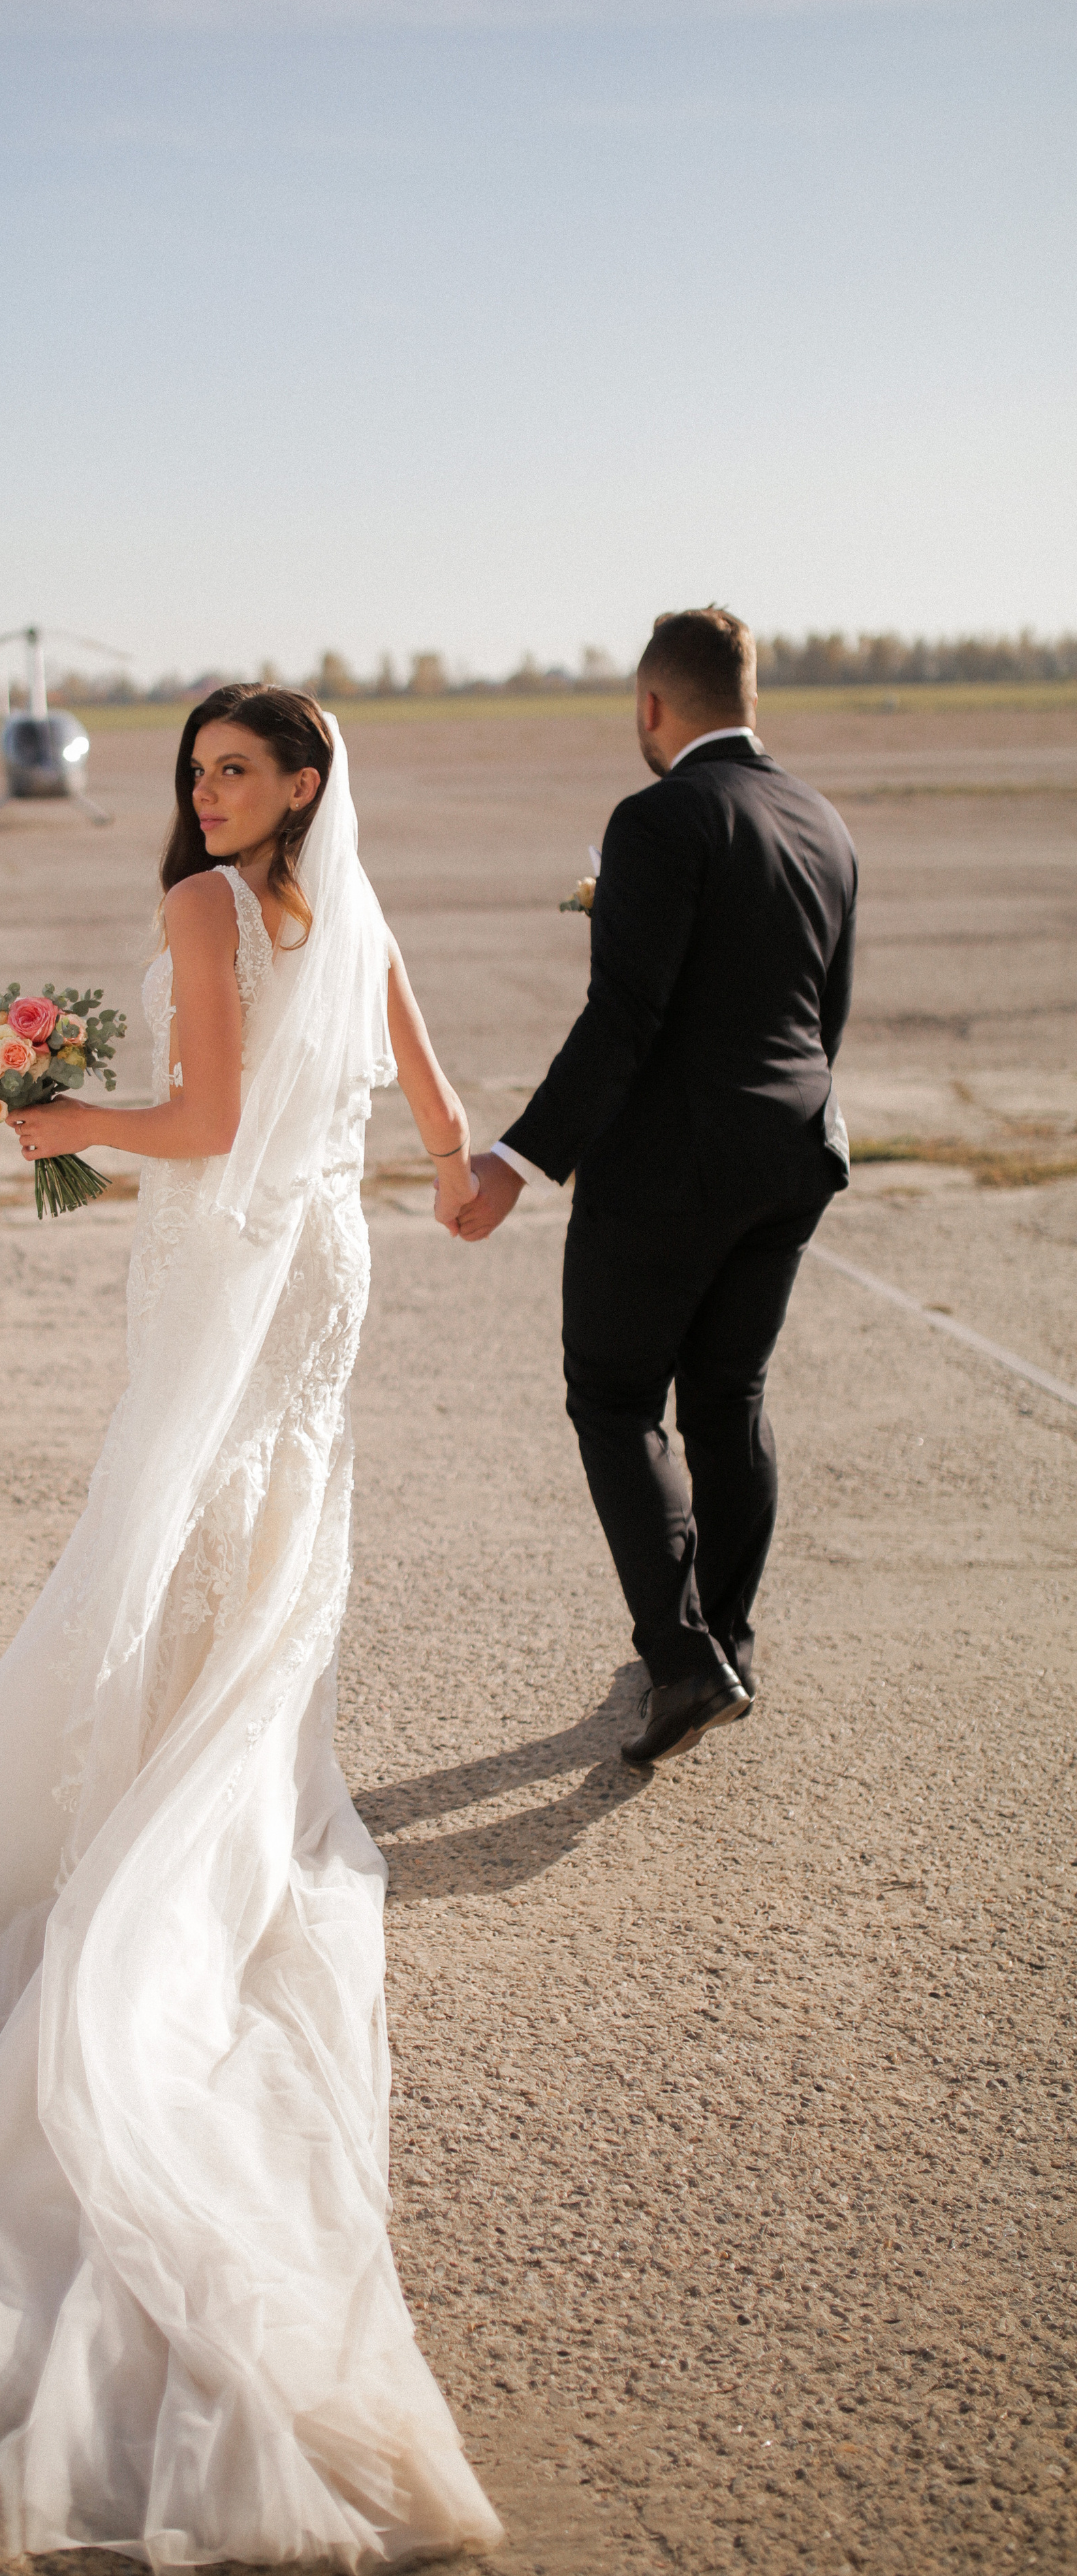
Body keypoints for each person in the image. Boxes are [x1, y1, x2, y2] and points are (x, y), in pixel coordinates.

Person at [0, 686, 499, 2572]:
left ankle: (141, 1820)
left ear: (303, 786)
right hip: (327, 1266)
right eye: (193, 769)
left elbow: (198, 1120)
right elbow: (435, 1103)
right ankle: (243, 1777)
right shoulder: (348, 909)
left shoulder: (213, 912)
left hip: (226, 1262)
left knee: (162, 1524)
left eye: (234, 771)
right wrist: (455, 1172)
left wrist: (46, 1109)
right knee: (269, 1536)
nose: (201, 798)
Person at [450, 607, 857, 1769]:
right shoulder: (822, 820)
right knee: (729, 1397)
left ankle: (682, 1665)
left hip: (676, 1161)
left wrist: (518, 1160)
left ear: (650, 705)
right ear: (751, 699)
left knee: (616, 1399)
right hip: (797, 1150)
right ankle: (723, 1638)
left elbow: (623, 1016)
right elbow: (824, 1017)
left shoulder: (660, 816)